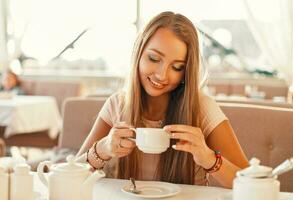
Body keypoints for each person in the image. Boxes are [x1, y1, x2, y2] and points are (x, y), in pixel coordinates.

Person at [77, 11, 248, 188]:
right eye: (154, 58)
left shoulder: (202, 107)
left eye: (177, 67)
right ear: (139, 53)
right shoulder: (118, 104)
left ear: (186, 72)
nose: (162, 75)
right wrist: (102, 149)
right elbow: (69, 175)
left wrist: (209, 158)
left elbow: (250, 183)